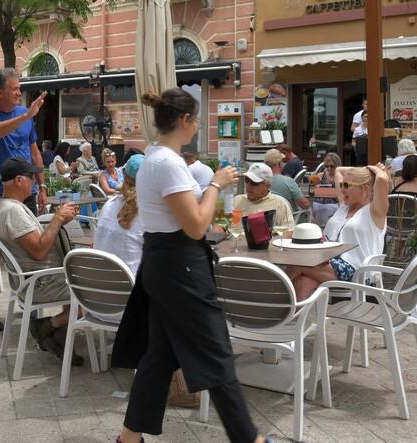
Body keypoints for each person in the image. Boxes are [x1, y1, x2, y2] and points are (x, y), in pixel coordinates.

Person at [114, 88, 264, 443]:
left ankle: (129, 437)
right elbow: (196, 225)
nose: (197, 125)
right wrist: (215, 184)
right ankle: (250, 439)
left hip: (163, 263)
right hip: (180, 266)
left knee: (160, 355)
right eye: (196, 119)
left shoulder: (155, 158)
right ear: (184, 120)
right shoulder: (167, 163)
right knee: (216, 351)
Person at [0, 158, 81, 363]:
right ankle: (49, 326)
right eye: (31, 177)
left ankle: (58, 334)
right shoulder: (13, 211)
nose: (35, 182)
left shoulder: (1, 207)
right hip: (41, 282)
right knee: (95, 293)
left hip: (30, 281)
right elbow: (39, 251)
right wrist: (57, 218)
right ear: (19, 180)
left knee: (84, 283)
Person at [0, 68, 48, 331]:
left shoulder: (24, 114)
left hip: (27, 190)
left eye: (20, 88)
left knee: (32, 247)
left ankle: (32, 305)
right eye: (15, 88)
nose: (20, 92)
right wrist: (27, 116)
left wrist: (42, 185)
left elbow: (34, 151)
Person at [286, 164, 390, 300]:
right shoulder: (344, 207)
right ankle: (294, 313)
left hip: (357, 270)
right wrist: (361, 171)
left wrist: (375, 170)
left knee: (299, 262)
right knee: (303, 281)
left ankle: (274, 291)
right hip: (329, 261)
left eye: (346, 185)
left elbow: (381, 179)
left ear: (364, 188)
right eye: (341, 185)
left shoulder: (375, 212)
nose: (342, 189)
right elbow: (339, 170)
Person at [94, 154, 145, 275]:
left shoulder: (109, 204)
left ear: (124, 177)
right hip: (130, 281)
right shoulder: (146, 213)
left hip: (99, 277)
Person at [232, 163, 296, 229]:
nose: (248, 185)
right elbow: (225, 225)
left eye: (254, 183)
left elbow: (290, 230)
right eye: (247, 180)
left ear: (267, 186)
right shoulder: (237, 200)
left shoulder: (279, 204)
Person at [265, 148, 311, 214]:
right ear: (279, 163)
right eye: (283, 161)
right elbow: (305, 205)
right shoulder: (288, 181)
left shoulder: (259, 182)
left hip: (266, 218)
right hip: (289, 218)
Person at [311, 152, 342, 225]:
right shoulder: (321, 175)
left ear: (337, 166)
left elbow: (343, 194)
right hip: (318, 202)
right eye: (326, 166)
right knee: (312, 208)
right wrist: (313, 182)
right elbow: (311, 191)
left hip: (334, 203)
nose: (329, 168)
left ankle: (323, 228)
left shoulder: (341, 177)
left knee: (323, 211)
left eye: (332, 166)